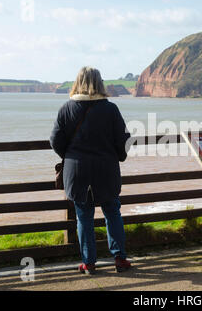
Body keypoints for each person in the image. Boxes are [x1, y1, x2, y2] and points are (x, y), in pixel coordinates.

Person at [50, 66, 131, 275]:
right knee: (112, 212)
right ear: (99, 82)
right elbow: (124, 141)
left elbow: (55, 141)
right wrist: (118, 156)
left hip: (78, 172)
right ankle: (120, 258)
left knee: (83, 216)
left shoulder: (66, 109)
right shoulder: (110, 109)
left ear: (77, 82)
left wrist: (70, 157)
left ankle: (89, 263)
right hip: (106, 169)